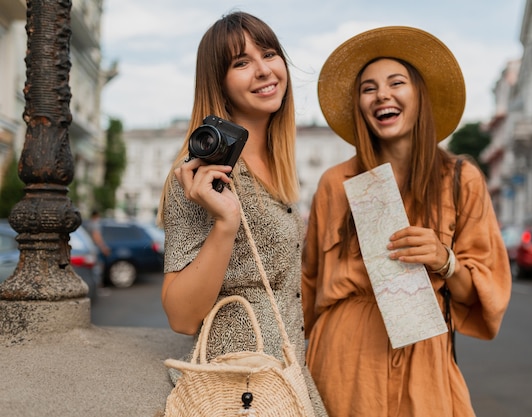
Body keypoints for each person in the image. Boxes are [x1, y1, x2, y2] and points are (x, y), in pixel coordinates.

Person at [302, 26, 512, 416]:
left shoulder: (460, 178)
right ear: (360, 106)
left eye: (396, 83)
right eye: (368, 88)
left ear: (419, 97)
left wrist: (444, 259)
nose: (382, 94)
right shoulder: (336, 183)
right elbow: (308, 282)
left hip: (423, 353)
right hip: (344, 359)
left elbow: (484, 293)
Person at [156, 11, 327, 416]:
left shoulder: (277, 163)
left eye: (269, 54)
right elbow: (180, 315)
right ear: (220, 83)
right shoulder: (201, 173)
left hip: (284, 378)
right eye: (241, 63)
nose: (263, 71)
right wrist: (226, 223)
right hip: (236, 390)